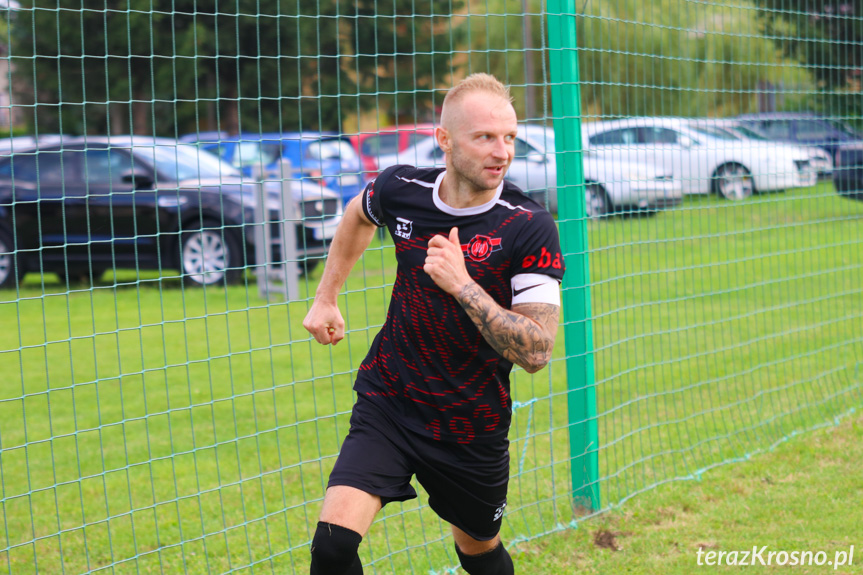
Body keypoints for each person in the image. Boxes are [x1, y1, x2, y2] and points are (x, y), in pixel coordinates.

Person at [302, 73, 564, 575]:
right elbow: (359, 214)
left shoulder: (528, 226)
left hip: (471, 422)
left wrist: (462, 284)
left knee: (479, 552)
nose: (501, 151)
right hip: (391, 399)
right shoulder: (403, 188)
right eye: (485, 137)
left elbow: (536, 351)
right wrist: (326, 296)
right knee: (332, 548)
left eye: (509, 136)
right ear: (444, 139)